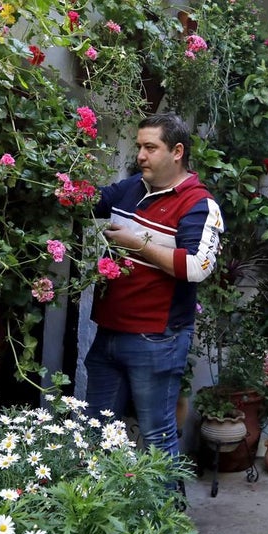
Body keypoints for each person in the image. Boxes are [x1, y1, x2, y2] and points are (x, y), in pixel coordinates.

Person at [84, 112, 223, 471]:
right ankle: (103, 515)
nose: (140, 155)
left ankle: (166, 522)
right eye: (139, 147)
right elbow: (85, 202)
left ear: (177, 151)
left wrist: (138, 243)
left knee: (157, 435)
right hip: (109, 333)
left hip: (156, 339)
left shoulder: (197, 203)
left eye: (150, 147)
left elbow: (196, 267)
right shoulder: (130, 189)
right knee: (97, 431)